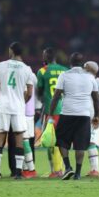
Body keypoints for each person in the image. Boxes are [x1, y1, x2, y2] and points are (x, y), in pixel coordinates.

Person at [48, 52, 99, 180]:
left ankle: (67, 167)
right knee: (80, 145)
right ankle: (77, 173)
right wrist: (97, 115)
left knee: (61, 141)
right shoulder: (90, 78)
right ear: (83, 64)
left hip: (67, 113)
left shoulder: (64, 76)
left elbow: (55, 96)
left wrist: (50, 114)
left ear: (70, 63)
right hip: (84, 115)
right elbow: (96, 99)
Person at [0, 42, 33, 180]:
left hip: (3, 106)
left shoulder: (1, 66)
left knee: (0, 138)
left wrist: (0, 101)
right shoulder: (27, 69)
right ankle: (18, 172)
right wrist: (21, 102)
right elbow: (30, 93)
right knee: (19, 138)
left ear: (11, 51)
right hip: (18, 108)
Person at [37, 47, 68, 178]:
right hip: (65, 109)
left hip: (51, 110)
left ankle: (56, 171)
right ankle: (58, 169)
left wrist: (42, 99)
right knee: (60, 140)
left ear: (45, 57)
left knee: (50, 140)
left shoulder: (42, 71)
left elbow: (39, 91)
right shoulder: (65, 70)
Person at [84, 61, 99, 177]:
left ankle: (95, 170)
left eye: (85, 67)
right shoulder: (84, 81)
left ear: (91, 70)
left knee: (91, 141)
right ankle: (93, 169)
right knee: (87, 141)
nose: (83, 69)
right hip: (85, 113)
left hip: (94, 115)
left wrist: (97, 116)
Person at [22, 72, 38, 179]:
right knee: (26, 141)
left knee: (24, 140)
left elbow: (27, 94)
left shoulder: (21, 75)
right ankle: (26, 168)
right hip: (31, 112)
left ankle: (31, 169)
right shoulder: (32, 75)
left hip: (23, 112)